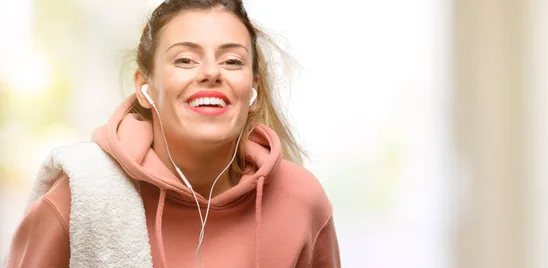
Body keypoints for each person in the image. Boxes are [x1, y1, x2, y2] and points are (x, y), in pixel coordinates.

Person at [5, 0, 340, 267]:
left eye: (232, 61)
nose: (211, 72)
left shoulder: (302, 202)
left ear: (252, 88)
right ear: (145, 88)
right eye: (185, 60)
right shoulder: (79, 197)